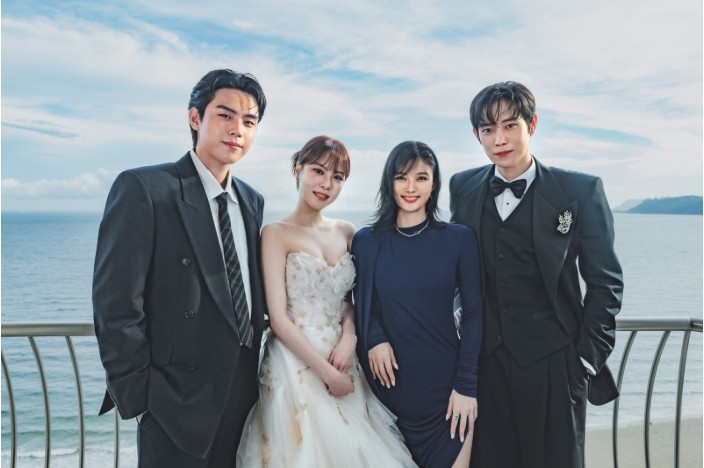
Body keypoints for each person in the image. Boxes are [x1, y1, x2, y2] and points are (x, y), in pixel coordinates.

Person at [93, 69, 269, 467]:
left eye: (249, 121)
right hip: (172, 402)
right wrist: (141, 404)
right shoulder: (146, 188)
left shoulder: (251, 201)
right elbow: (116, 304)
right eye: (225, 115)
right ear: (195, 118)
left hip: (242, 395)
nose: (237, 129)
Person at [449, 81, 624, 468]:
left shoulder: (580, 190)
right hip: (485, 364)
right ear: (477, 135)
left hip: (555, 363)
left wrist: (586, 360)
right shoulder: (462, 187)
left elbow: (605, 281)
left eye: (510, 125)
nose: (499, 139)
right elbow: (458, 267)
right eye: (488, 129)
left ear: (532, 124)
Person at [236, 136, 416, 467]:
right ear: (298, 170)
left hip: (343, 358)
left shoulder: (347, 232)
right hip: (295, 362)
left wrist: (350, 337)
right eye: (318, 171)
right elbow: (278, 318)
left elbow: (348, 301)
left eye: (338, 177)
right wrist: (328, 376)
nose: (327, 184)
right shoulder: (275, 233)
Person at [352, 141, 483, 468]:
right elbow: (363, 303)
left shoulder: (459, 239)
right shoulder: (367, 242)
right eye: (402, 177)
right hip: (388, 401)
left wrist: (466, 386)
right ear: (389, 182)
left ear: (434, 184)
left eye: (421, 178)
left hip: (448, 399)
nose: (411, 188)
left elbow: (474, 313)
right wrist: (375, 337)